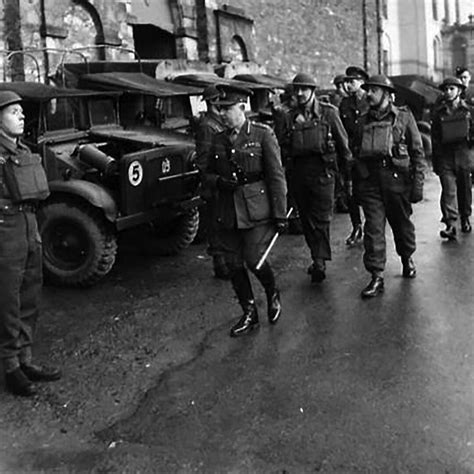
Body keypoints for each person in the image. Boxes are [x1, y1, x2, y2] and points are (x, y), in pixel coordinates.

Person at [202, 84, 287, 337]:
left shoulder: (262, 135)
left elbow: (276, 176)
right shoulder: (217, 139)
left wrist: (281, 213)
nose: (223, 114)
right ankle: (249, 311)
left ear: (242, 108)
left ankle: (272, 292)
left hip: (256, 208)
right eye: (220, 109)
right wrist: (218, 181)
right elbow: (205, 173)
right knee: (233, 264)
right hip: (227, 209)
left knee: (254, 259)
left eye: (227, 109)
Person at [0, 90, 61, 396]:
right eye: (13, 112)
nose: (22, 116)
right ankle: (10, 367)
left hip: (29, 226)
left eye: (22, 112)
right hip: (5, 231)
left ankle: (25, 358)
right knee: (7, 301)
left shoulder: (22, 149)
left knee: (30, 294)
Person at [353, 75, 425, 298]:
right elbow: (354, 150)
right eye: (368, 90)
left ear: (385, 93)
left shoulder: (403, 117)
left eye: (373, 90)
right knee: (373, 229)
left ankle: (406, 257)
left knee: (401, 224)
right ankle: (376, 276)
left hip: (397, 180)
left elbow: (417, 152)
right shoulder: (362, 120)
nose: (368, 94)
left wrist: (418, 185)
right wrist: (358, 180)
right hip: (371, 181)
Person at [280, 72, 353, 283]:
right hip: (299, 175)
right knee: (306, 220)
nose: (300, 93)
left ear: (313, 91)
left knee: (321, 218)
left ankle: (319, 261)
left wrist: (348, 178)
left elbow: (343, 146)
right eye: (297, 89)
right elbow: (283, 146)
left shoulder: (329, 113)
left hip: (324, 173)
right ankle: (316, 256)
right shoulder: (289, 116)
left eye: (304, 89)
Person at [431, 76, 473, 239]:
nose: (448, 92)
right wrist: (436, 161)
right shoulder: (438, 113)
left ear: (460, 91)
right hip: (446, 156)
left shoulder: (469, 111)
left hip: (464, 154)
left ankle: (465, 217)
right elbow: (435, 138)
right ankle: (450, 224)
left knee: (464, 189)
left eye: (452, 89)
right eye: (446, 89)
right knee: (448, 191)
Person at [195, 85, 230, 279]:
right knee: (216, 224)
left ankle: (225, 261)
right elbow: (203, 159)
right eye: (218, 101)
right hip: (213, 183)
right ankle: (220, 265)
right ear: (212, 102)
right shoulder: (207, 126)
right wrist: (209, 181)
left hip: (221, 179)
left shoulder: (218, 123)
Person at [339, 66, 370, 245]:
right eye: (347, 82)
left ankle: (370, 226)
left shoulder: (370, 101)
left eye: (352, 82)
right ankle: (356, 226)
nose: (348, 85)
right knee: (350, 193)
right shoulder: (344, 104)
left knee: (367, 191)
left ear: (362, 82)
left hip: (366, 153)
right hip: (349, 153)